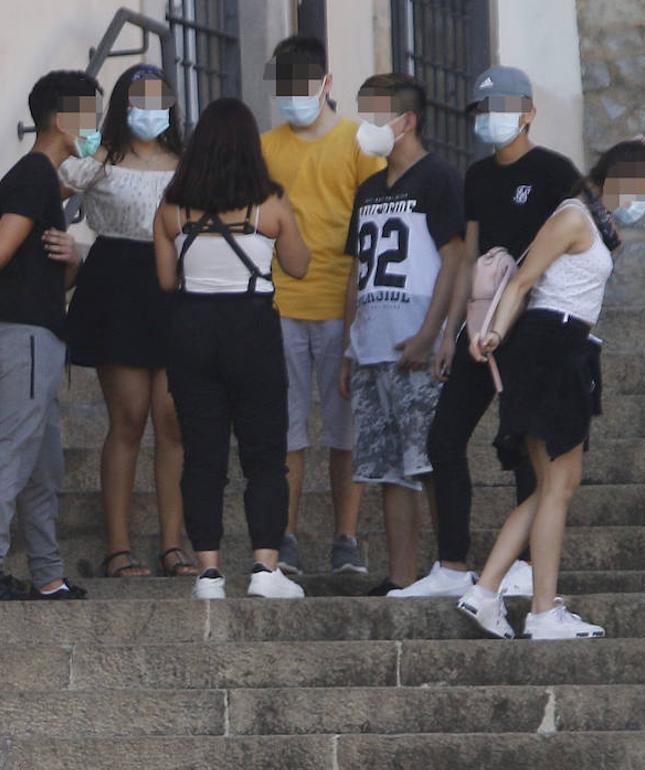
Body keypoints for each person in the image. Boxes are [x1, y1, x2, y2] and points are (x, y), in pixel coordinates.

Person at [457, 139, 645, 639]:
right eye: (639, 189)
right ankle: (539, 610)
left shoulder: (593, 222)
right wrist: (491, 331)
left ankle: (488, 590)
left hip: (566, 347)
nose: (640, 202)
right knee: (558, 484)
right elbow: (523, 279)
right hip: (550, 345)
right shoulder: (574, 216)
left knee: (556, 484)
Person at [391, 65, 583, 598]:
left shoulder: (554, 171)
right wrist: (453, 331)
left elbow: (583, 240)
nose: (490, 121)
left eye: (500, 110)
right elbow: (470, 255)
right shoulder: (476, 176)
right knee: (444, 438)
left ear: (527, 112)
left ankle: (523, 567)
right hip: (479, 326)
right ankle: (452, 565)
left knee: (528, 441)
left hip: (534, 327)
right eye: (482, 112)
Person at [154, 97, 310, 600]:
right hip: (252, 324)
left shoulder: (172, 208)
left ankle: (208, 572)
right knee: (265, 452)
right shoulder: (271, 204)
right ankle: (265, 568)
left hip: (191, 325)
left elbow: (164, 279)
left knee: (203, 454)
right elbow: (300, 265)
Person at [0, 70, 94, 602]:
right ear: (63, 121)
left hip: (32, 335)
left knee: (43, 464)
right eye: (89, 116)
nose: (95, 127)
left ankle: (48, 576)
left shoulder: (43, 180)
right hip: (22, 336)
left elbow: (43, 271)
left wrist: (74, 259)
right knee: (12, 453)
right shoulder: (34, 175)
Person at [59, 64, 195, 579]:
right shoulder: (102, 158)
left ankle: (172, 545)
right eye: (141, 99)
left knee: (173, 422)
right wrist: (67, 252)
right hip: (116, 283)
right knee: (130, 418)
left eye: (161, 99)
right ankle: (118, 547)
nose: (151, 110)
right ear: (123, 104)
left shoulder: (186, 163)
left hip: (175, 285)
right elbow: (50, 193)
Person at [260, 35, 386, 575]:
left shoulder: (360, 142)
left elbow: (377, 227)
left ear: (326, 84)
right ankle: (284, 538)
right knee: (286, 429)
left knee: (345, 432)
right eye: (284, 88)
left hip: (343, 306)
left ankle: (346, 540)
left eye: (302, 86)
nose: (293, 98)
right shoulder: (266, 148)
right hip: (279, 304)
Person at [337, 73, 464, 595]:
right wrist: (349, 345)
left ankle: (450, 568)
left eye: (375, 114)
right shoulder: (369, 188)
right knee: (389, 468)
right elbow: (356, 268)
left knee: (429, 458)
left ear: (406, 121)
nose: (365, 126)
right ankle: (401, 576)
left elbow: (456, 259)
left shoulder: (438, 179)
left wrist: (434, 332)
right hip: (371, 344)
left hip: (417, 340)